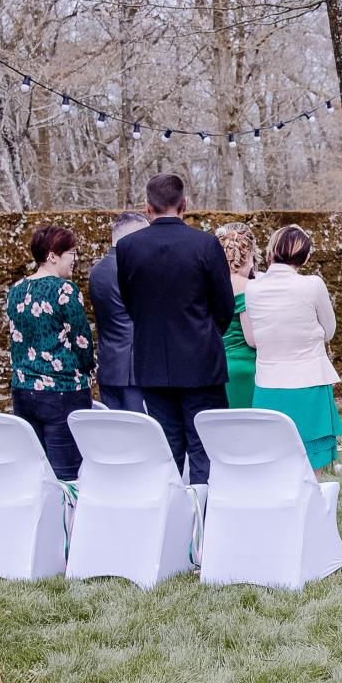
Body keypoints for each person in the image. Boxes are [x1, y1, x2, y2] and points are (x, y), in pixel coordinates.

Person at [116, 174, 236, 483]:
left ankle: (173, 518)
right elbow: (224, 305)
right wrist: (204, 336)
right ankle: (204, 519)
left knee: (167, 450)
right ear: (184, 204)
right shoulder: (206, 244)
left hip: (152, 361)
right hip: (201, 363)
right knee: (204, 447)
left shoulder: (128, 247)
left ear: (147, 207)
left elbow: (131, 305)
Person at [247, 224, 342, 472]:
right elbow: (330, 330)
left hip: (268, 383)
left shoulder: (253, 288)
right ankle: (312, 506)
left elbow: (257, 336)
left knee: (273, 460)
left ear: (271, 252)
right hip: (309, 380)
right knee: (312, 465)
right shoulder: (312, 285)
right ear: (306, 256)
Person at [6, 224, 95, 481]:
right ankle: (67, 520)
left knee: (36, 470)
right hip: (62, 392)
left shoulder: (16, 290)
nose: (74, 260)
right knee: (67, 472)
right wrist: (88, 368)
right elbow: (81, 341)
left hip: (24, 389)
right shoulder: (65, 290)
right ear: (53, 255)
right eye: (71, 253)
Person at [87, 211, 148, 413]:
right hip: (134, 367)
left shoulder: (96, 270)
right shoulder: (132, 268)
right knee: (139, 433)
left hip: (108, 364)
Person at [216, 222, 259, 409]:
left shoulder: (208, 284)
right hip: (244, 368)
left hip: (216, 366)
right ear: (247, 256)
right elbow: (251, 339)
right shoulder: (246, 286)